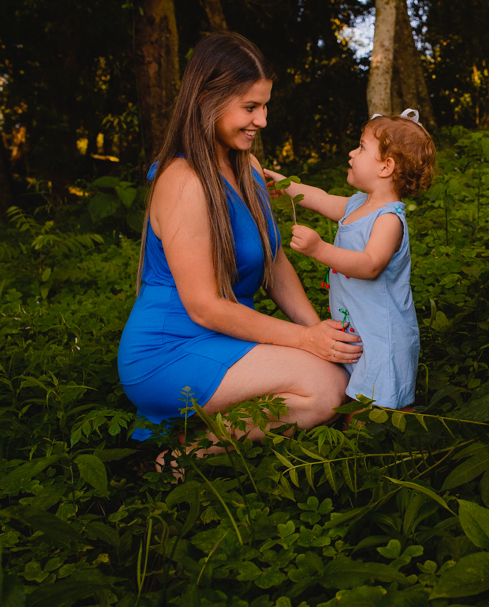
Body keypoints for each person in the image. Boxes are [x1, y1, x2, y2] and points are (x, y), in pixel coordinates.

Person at [117, 31, 361, 449]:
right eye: (250, 107)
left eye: (264, 105)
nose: (262, 120)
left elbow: (275, 261)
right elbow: (205, 306)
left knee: (341, 368)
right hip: (169, 349)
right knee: (325, 391)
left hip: (226, 337)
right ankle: (188, 454)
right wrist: (304, 341)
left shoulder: (246, 165)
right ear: (205, 100)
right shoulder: (183, 182)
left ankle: (200, 426)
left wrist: (318, 331)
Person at [264, 109, 436, 409]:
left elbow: (370, 265)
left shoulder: (388, 219)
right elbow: (317, 197)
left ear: (386, 167)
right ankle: (360, 444)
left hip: (383, 336)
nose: (351, 152)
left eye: (361, 147)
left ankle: (399, 450)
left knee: (383, 405)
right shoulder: (358, 204)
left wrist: (320, 250)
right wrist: (284, 183)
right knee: (355, 399)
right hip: (357, 328)